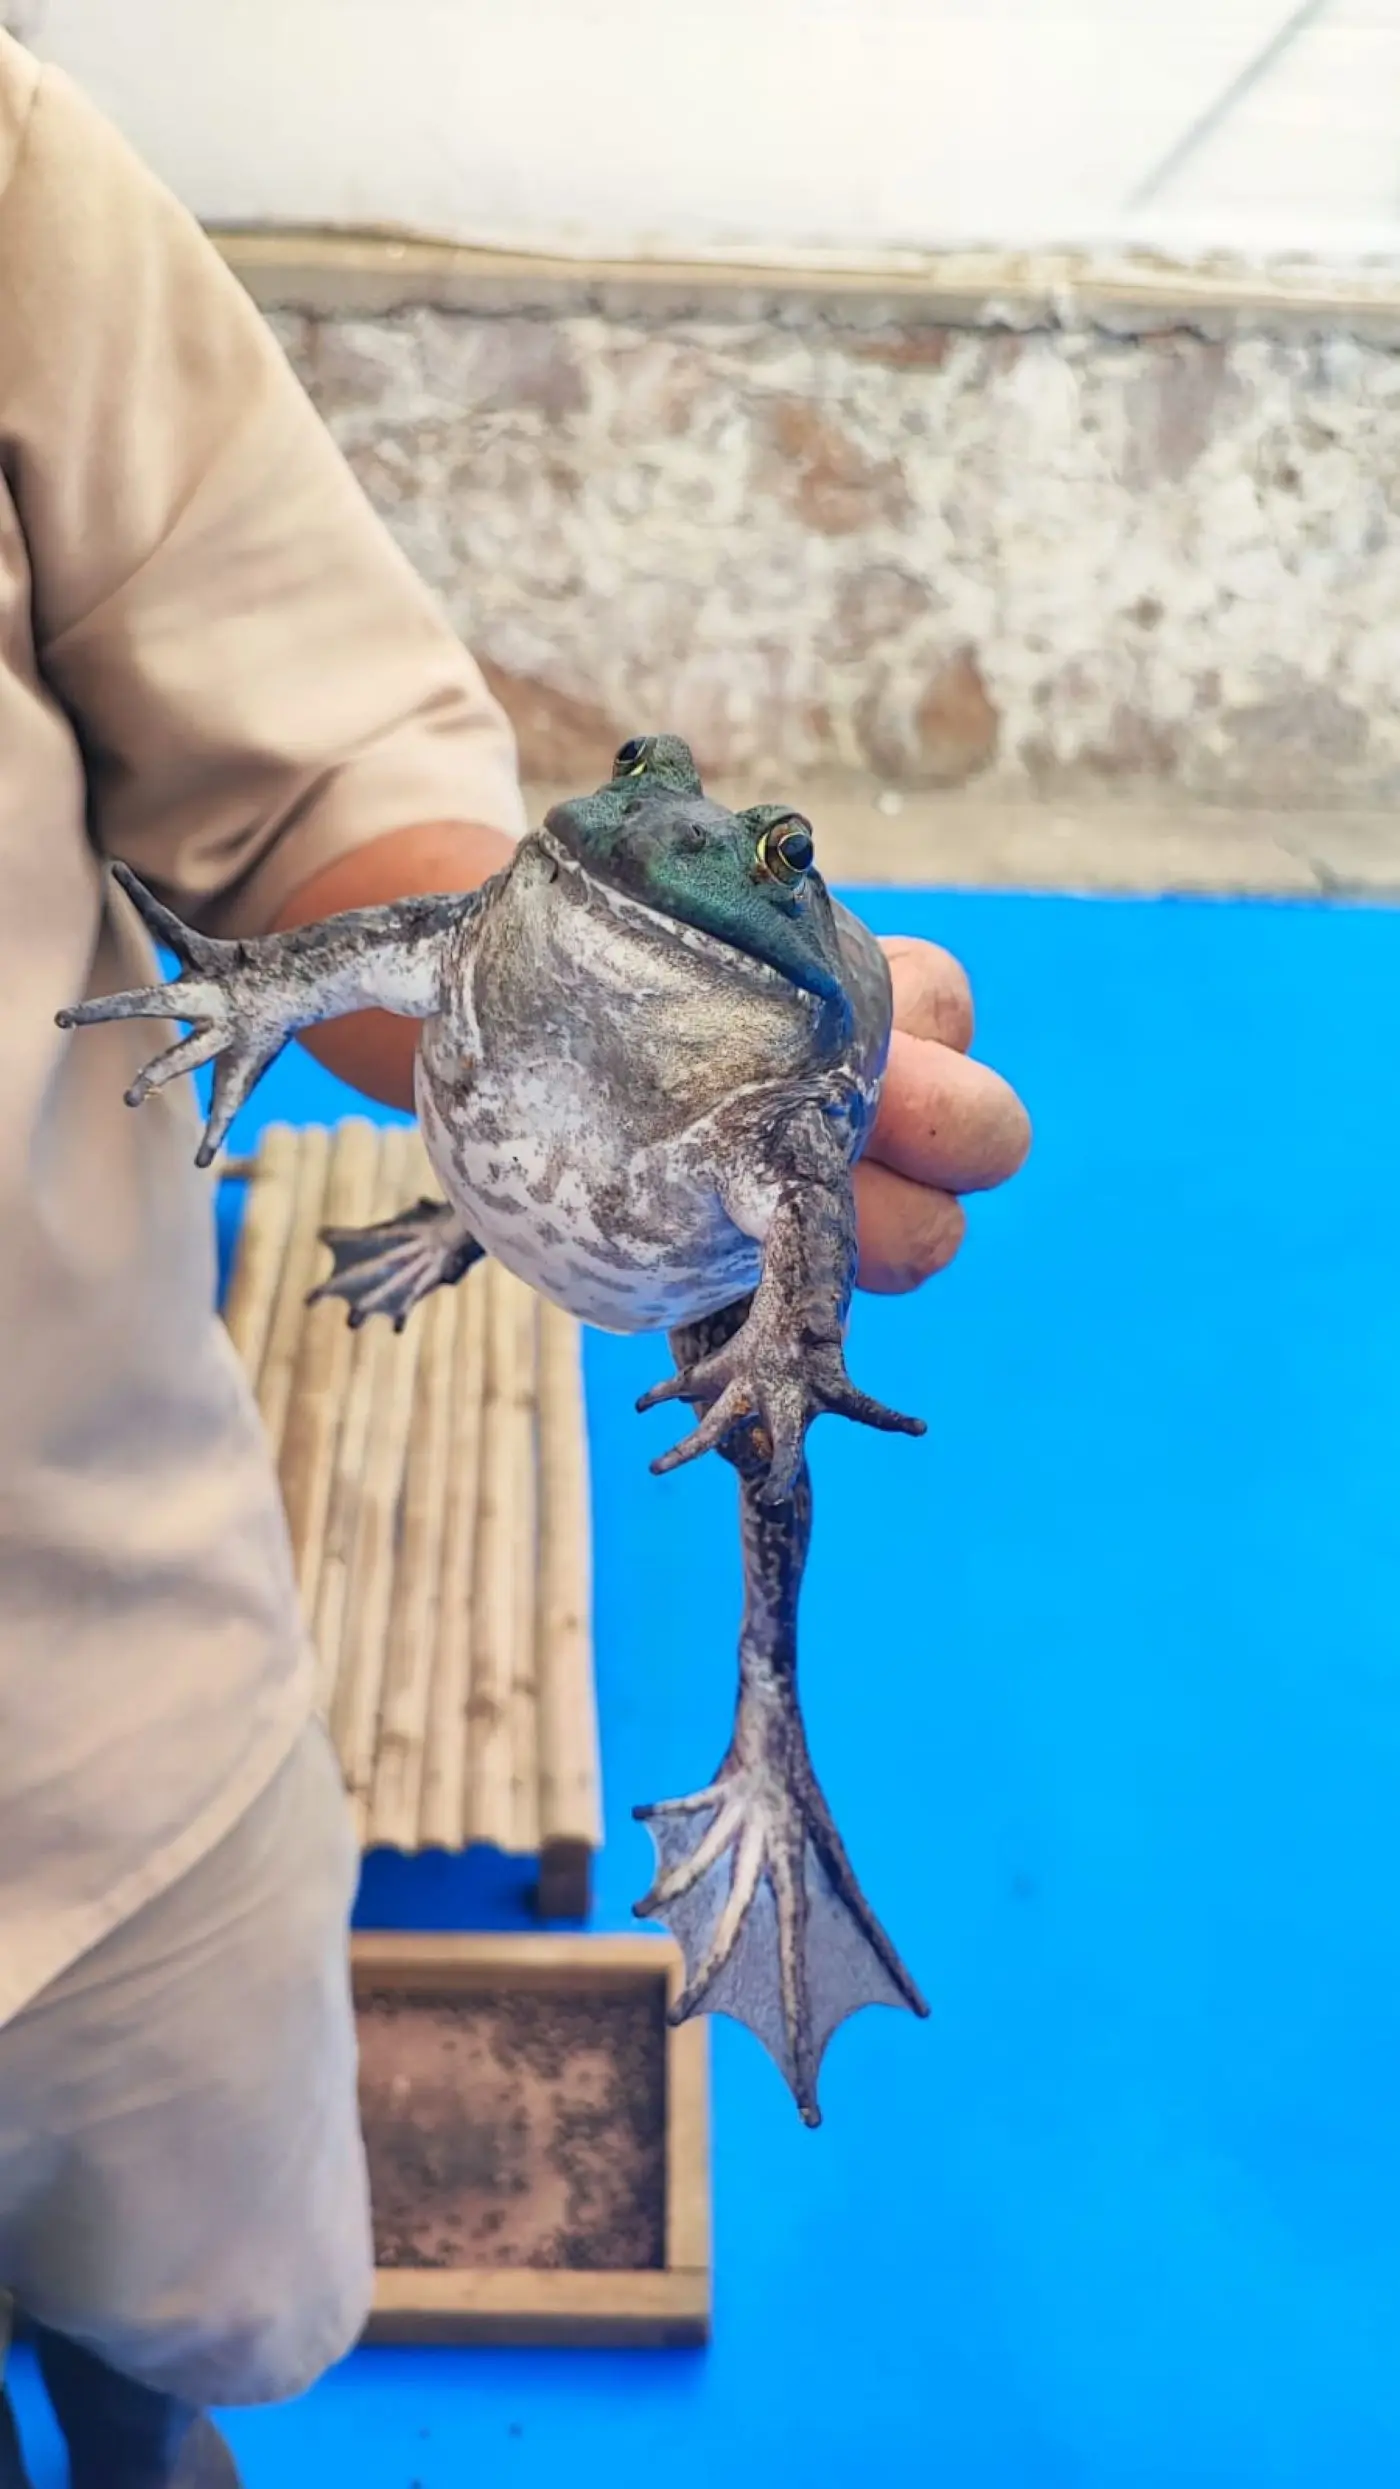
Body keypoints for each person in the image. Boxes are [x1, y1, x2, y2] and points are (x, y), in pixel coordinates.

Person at [0, 29, 1031, 2489]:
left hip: (71, 1677)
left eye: (728, 846)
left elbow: (313, 783)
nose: (649, 839)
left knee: (183, 2294)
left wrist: (481, 998)